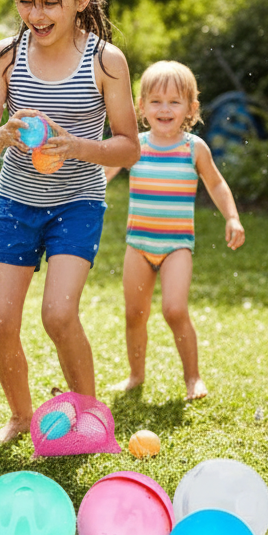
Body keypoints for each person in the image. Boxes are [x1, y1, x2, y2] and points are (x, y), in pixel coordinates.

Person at [0, 0, 140, 443]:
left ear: (81, 0)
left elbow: (129, 145)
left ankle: (91, 418)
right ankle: (22, 417)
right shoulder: (5, 56)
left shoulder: (105, 60)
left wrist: (76, 146)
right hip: (16, 203)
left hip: (78, 203)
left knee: (58, 313)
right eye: (25, 0)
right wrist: (2, 134)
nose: (35, 14)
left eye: (49, 2)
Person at [112, 61, 245, 400]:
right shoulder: (134, 146)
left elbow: (215, 184)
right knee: (134, 314)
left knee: (174, 309)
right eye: (156, 101)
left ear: (191, 108)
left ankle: (193, 378)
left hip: (176, 247)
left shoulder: (194, 148)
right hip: (138, 244)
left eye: (174, 101)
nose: (165, 109)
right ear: (141, 107)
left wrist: (231, 217)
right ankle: (135, 376)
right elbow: (101, 175)